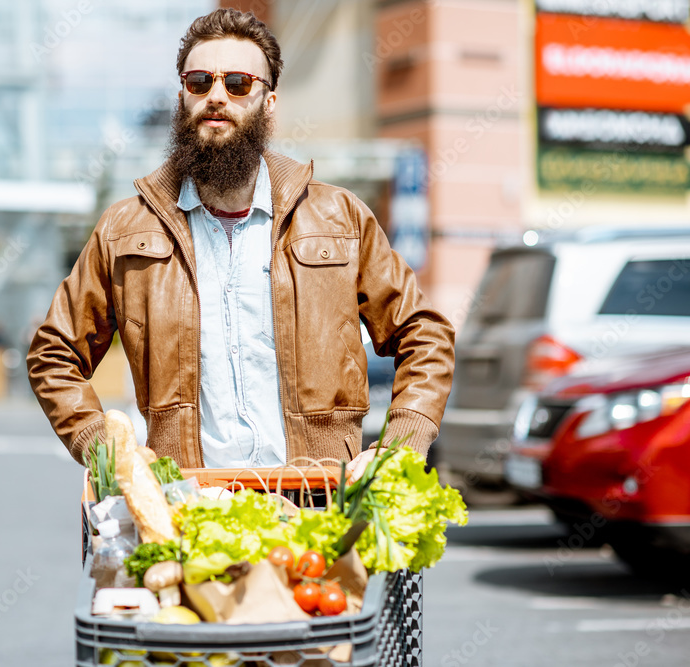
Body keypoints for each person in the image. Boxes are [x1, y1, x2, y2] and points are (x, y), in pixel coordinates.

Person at [27, 9, 455, 483]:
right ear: (181, 96)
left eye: (237, 83)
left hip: (318, 504)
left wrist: (399, 449)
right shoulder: (124, 229)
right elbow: (54, 354)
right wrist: (108, 455)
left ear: (268, 102)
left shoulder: (341, 217)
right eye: (199, 82)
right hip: (188, 510)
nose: (215, 96)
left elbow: (425, 334)